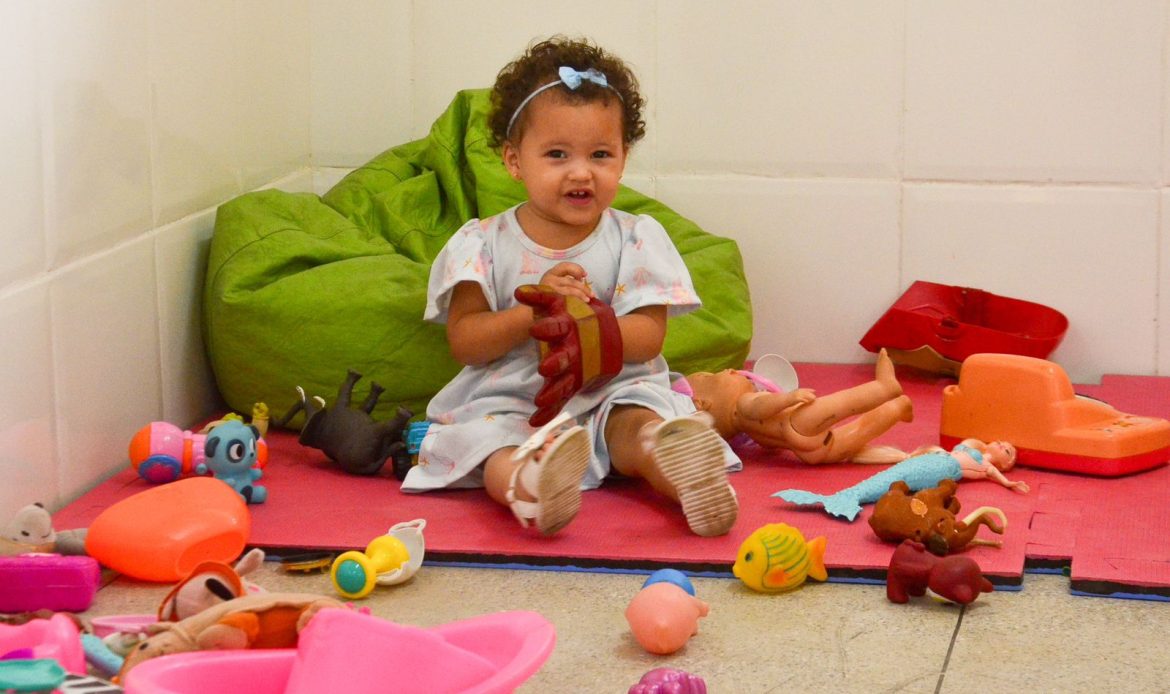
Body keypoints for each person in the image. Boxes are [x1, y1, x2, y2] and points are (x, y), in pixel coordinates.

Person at [400, 36, 740, 537]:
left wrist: (592, 327)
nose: (581, 172)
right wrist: (532, 313)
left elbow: (650, 337)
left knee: (637, 421)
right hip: (513, 401)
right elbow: (466, 341)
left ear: (623, 157)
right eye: (557, 154)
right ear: (515, 160)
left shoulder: (636, 238)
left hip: (611, 388)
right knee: (487, 443)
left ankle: (681, 471)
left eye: (600, 154)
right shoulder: (482, 243)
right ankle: (527, 483)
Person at [679, 349, 914, 465]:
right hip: (797, 423)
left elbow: (769, 441)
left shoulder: (747, 428)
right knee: (844, 402)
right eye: (713, 376)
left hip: (808, 452)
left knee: (859, 431)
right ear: (703, 403)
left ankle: (897, 408)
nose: (729, 370)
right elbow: (761, 406)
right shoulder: (742, 404)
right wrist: (789, 399)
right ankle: (885, 388)